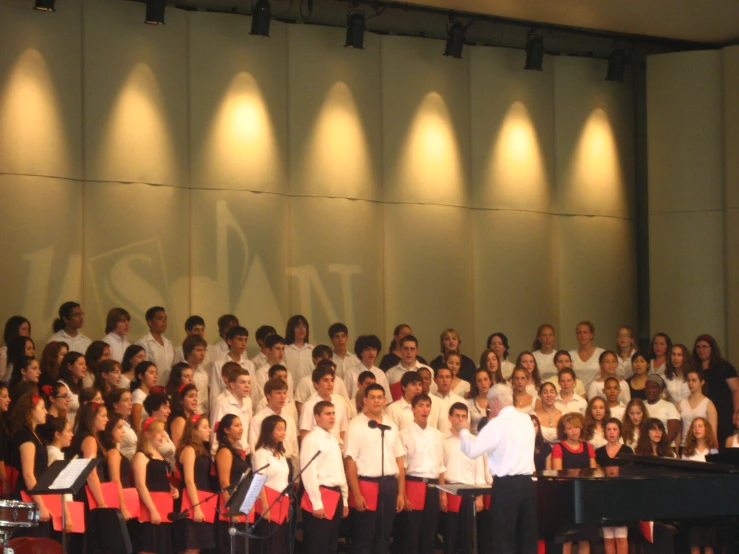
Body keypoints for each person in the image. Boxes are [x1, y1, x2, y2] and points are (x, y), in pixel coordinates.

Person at [457, 383, 537, 554]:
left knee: (504, 537)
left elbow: (472, 451)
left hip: (506, 486)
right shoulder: (527, 420)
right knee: (527, 537)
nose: (490, 409)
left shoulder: (496, 424)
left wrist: (464, 432)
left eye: (489, 405)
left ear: (495, 401)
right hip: (528, 484)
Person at [344, 383, 406, 554]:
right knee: (365, 536)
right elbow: (350, 461)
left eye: (380, 397)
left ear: (385, 400)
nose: (376, 401)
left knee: (385, 535)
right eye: (372, 397)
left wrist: (401, 493)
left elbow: (399, 460)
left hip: (389, 485)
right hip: (367, 484)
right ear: (365, 400)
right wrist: (356, 493)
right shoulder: (356, 425)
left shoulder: (391, 425)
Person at [398, 394, 445, 554]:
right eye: (421, 405)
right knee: (411, 532)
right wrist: (403, 494)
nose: (425, 409)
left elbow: (440, 466)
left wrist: (443, 492)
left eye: (427, 405)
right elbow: (402, 468)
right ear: (413, 409)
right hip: (413, 483)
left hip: (432, 485)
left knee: (430, 531)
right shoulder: (404, 434)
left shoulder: (437, 434)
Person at [300, 401, 349, 554]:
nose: (332, 417)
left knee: (331, 543)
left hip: (335, 494)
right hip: (321, 494)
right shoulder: (311, 440)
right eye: (328, 414)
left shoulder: (333, 440)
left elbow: (340, 471)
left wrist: (345, 499)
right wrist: (316, 502)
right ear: (316, 416)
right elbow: (309, 473)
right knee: (318, 544)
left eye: (333, 413)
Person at [444, 403, 489, 554]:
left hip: (470, 492)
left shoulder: (475, 441)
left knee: (468, 538)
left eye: (464, 416)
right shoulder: (442, 439)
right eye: (457, 416)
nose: (461, 420)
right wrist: (441, 494)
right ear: (450, 417)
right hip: (449, 490)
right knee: (449, 537)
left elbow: (480, 472)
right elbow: (440, 468)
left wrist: (480, 497)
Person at [551, 412, 596, 554]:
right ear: (564, 430)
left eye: (576, 427)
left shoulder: (588, 447)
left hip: (585, 498)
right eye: (569, 428)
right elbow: (558, 473)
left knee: (585, 538)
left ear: (581, 428)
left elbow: (593, 472)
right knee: (567, 539)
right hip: (566, 498)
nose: (573, 431)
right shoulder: (558, 447)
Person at [133, 417, 177, 554]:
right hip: (150, 507)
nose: (162, 436)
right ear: (147, 434)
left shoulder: (160, 456)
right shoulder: (141, 456)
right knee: (149, 546)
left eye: (163, 432)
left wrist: (172, 489)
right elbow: (140, 485)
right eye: (159, 432)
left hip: (163, 508)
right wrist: (152, 510)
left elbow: (161, 479)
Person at [175, 414, 215, 554]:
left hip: (201, 498)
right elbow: (189, 480)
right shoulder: (189, 450)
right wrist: (196, 507)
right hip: (191, 501)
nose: (209, 430)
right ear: (194, 430)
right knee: (191, 545)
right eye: (204, 427)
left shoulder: (201, 450)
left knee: (197, 545)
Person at [252, 415, 292, 554]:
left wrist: (286, 507)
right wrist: (264, 506)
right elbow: (258, 480)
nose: (283, 432)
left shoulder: (281, 454)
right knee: (269, 547)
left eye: (284, 429)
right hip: (268, 504)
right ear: (269, 431)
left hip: (281, 505)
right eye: (279, 429)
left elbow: (283, 482)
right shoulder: (262, 453)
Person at [693, 334, 739, 445]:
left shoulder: (724, 366)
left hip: (723, 413)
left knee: (721, 443)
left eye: (705, 347)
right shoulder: (694, 367)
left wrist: (736, 412)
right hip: (701, 412)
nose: (701, 350)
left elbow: (736, 389)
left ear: (712, 348)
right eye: (698, 347)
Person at [595, 418, 631, 554]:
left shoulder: (627, 451)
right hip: (604, 497)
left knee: (621, 537)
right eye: (608, 429)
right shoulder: (598, 452)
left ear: (619, 431)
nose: (611, 432)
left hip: (621, 497)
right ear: (605, 432)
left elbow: (630, 474)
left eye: (614, 429)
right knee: (608, 538)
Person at [215, 414, 249, 552]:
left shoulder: (236, 452)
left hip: (240, 503)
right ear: (226, 430)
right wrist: (231, 508)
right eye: (236, 425)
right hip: (231, 504)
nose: (241, 428)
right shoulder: (225, 451)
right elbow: (224, 482)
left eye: (241, 425)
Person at [68, 401, 109, 507]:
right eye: (103, 416)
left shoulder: (82, 437)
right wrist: (101, 503)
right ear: (92, 418)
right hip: (89, 493)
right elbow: (90, 473)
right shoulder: (89, 439)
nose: (107, 420)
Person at [209, 325, 256, 413]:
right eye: (239, 339)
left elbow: (253, 394)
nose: (243, 343)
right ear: (230, 341)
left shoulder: (249, 365)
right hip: (225, 409)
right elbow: (214, 395)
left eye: (245, 340)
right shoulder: (219, 365)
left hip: (244, 408)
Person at [299, 365, 349, 444]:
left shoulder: (340, 405)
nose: (330, 384)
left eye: (332, 380)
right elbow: (304, 434)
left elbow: (343, 432)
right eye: (325, 380)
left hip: (337, 450)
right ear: (315, 384)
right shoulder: (309, 406)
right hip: (317, 450)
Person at [210, 365, 253, 456]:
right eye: (243, 382)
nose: (247, 386)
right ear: (232, 385)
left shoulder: (248, 402)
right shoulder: (223, 403)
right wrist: (215, 455)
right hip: (228, 453)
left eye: (249, 382)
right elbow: (216, 433)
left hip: (245, 453)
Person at [103, 413, 134, 521]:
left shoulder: (114, 451)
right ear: (110, 429)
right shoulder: (113, 453)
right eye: (119, 427)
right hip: (119, 503)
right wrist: (123, 507)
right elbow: (115, 480)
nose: (123, 431)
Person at [678, 369, 718, 449]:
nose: (690, 383)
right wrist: (676, 450)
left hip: (703, 447)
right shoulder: (681, 404)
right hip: (685, 446)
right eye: (688, 380)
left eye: (694, 380)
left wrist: (714, 453)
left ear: (702, 382)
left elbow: (713, 433)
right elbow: (678, 430)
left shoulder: (709, 405)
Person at [344, 335, 391, 401]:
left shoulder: (381, 374)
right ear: (361, 352)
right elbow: (345, 399)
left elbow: (387, 399)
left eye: (374, 349)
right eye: (367, 349)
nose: (371, 353)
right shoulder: (351, 373)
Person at [136, 306, 174, 386]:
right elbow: (143, 369)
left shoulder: (168, 344)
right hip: (151, 387)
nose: (164, 321)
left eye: (165, 318)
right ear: (150, 322)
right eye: (160, 318)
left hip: (167, 387)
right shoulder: (143, 343)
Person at [644, 374, 681, 445]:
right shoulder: (641, 405)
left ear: (660, 390)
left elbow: (673, 432)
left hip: (665, 447)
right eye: (647, 387)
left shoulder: (669, 406)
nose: (650, 390)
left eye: (653, 387)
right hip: (645, 448)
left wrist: (661, 446)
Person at [568, 321, 605, 388]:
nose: (582, 335)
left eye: (585, 332)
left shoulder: (601, 353)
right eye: (579, 333)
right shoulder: (570, 355)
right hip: (577, 393)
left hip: (597, 393)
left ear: (591, 335)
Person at [433, 366, 466, 436]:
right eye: (441, 377)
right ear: (434, 380)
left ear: (452, 379)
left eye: (447, 377)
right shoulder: (430, 402)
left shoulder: (461, 401)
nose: (445, 380)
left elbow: (465, 426)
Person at [107, 387, 137, 460]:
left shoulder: (126, 424)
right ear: (115, 405)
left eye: (131, 400)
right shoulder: (113, 425)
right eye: (126, 400)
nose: (130, 403)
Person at [57, 351, 87, 426]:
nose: (85, 367)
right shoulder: (62, 386)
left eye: (85, 364)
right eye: (81, 364)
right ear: (70, 366)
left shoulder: (80, 386)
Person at [0, 315, 31, 383]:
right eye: (23, 329)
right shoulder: (3, 351)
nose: (27, 332)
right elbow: (2, 380)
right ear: (14, 331)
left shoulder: (26, 350)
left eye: (28, 329)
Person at [284, 314, 314, 383]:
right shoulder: (285, 350)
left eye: (304, 326)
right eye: (298, 326)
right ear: (291, 329)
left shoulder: (312, 350)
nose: (302, 329)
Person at [169, 383, 199, 448]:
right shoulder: (179, 420)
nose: (195, 399)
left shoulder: (195, 417)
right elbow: (177, 447)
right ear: (181, 400)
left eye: (196, 396)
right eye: (191, 396)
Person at [131, 361, 158, 432]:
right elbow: (135, 424)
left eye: (156, 373)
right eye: (151, 373)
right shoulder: (138, 394)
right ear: (141, 376)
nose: (155, 376)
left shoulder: (150, 394)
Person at [467, 368, 493, 435]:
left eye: (485, 379)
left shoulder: (497, 402)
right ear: (476, 383)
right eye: (479, 381)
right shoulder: (468, 403)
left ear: (490, 381)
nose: (483, 383)